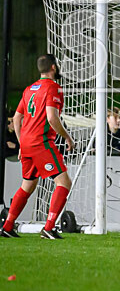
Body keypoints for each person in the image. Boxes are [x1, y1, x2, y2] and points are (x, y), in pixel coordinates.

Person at [1, 54, 75, 239]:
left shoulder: (28, 90)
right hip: (40, 142)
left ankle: (8, 226)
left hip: (26, 143)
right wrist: (67, 137)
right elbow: (52, 117)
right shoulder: (54, 88)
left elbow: (17, 118)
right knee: (63, 182)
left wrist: (21, 143)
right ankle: (49, 228)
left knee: (28, 184)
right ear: (53, 67)